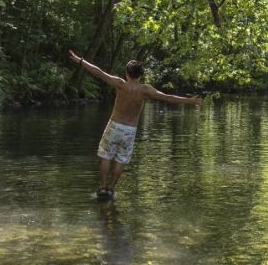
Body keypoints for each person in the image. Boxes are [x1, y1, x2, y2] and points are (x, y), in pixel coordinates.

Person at [69, 50, 201, 197]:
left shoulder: (120, 84)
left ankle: (103, 187)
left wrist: (80, 60)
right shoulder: (145, 90)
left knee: (106, 156)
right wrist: (188, 101)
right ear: (141, 75)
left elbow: (99, 73)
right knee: (121, 159)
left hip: (114, 126)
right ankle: (111, 188)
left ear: (127, 73)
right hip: (129, 131)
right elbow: (167, 97)